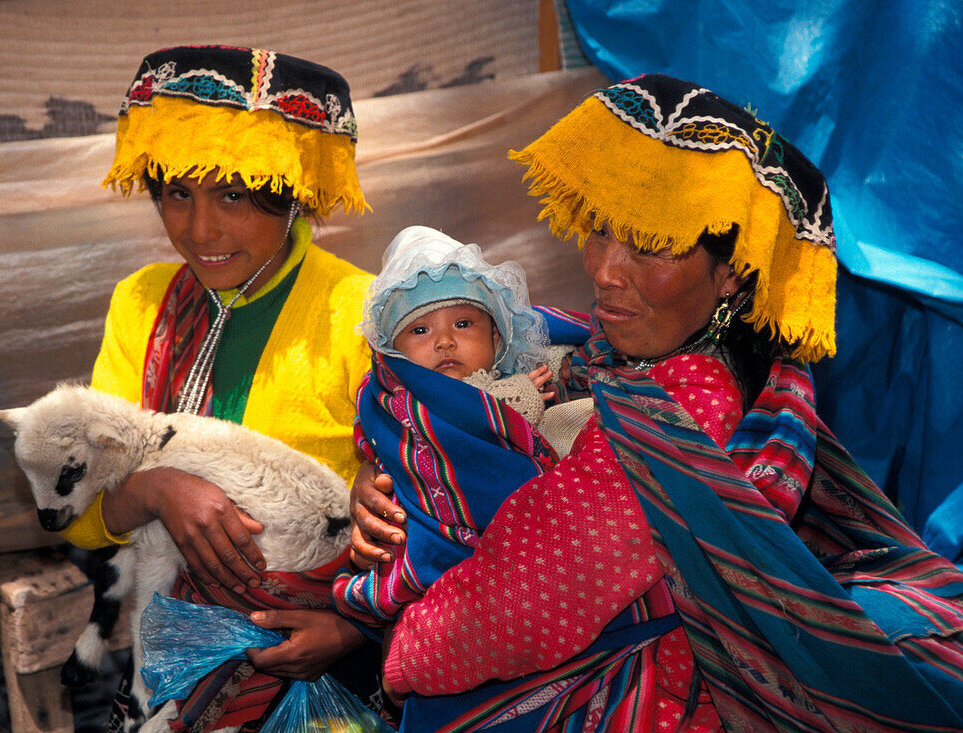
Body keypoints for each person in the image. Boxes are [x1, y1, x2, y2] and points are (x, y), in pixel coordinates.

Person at [351, 74, 963, 731]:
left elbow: (523, 597)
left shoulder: (681, 411)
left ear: (730, 271)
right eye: (600, 230)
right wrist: (384, 472)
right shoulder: (605, 353)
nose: (607, 269)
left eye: (652, 245)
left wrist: (392, 658)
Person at [55, 45, 384, 731]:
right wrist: (154, 489)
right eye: (178, 193)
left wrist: (351, 630)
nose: (199, 231)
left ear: (292, 188)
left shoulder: (360, 313)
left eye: (232, 195)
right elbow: (76, 507)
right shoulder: (142, 303)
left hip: (331, 668)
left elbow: (436, 514)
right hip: (170, 668)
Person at [331, 225, 589, 630]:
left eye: (464, 324)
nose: (445, 342)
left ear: (498, 337)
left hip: (554, 544)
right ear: (393, 354)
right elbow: (402, 440)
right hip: (448, 556)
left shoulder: (537, 373)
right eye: (420, 330)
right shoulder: (399, 404)